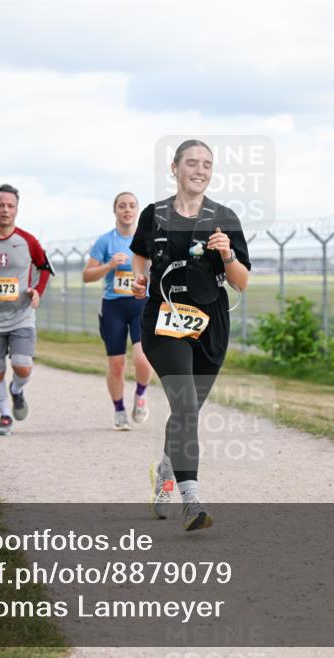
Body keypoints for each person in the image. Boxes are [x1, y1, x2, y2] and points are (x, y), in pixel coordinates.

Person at [130, 139, 251, 531]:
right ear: (175, 167)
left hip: (210, 323)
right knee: (184, 406)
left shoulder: (224, 216)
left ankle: (165, 470)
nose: (200, 170)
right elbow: (140, 253)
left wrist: (227, 253)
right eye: (192, 163)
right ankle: (191, 500)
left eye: (207, 164)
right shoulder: (154, 214)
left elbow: (242, 283)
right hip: (164, 319)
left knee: (188, 411)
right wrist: (139, 276)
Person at [0, 184, 53, 436]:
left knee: (22, 366)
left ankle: (16, 390)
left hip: (21, 315)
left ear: (16, 209)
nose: (5, 210)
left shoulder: (27, 241)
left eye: (10, 206)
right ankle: (5, 415)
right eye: (0, 205)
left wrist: (37, 290)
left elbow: (45, 268)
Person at [83, 192, 154, 431]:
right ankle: (119, 409)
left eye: (132, 206)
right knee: (116, 364)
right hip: (113, 307)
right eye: (122, 206)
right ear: (115, 210)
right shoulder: (105, 241)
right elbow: (87, 275)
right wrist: (110, 265)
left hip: (141, 305)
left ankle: (141, 395)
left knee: (143, 358)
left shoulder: (147, 240)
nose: (127, 210)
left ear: (137, 211)